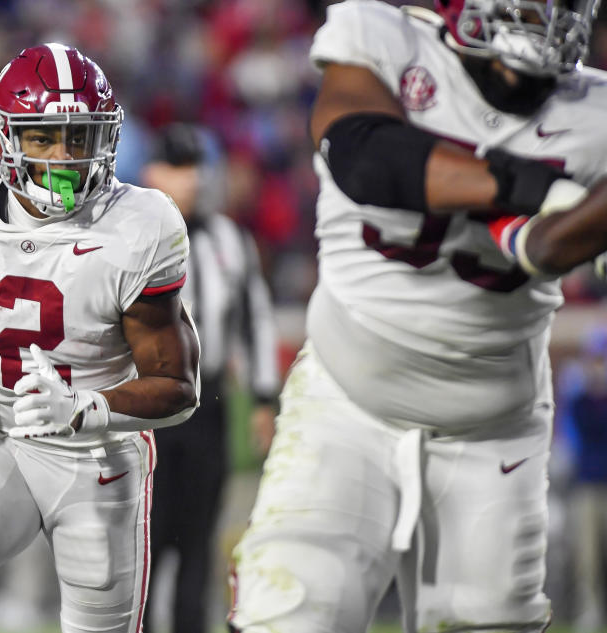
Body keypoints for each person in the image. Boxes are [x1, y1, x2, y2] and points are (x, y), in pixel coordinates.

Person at [226, 0, 607, 630]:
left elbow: (544, 248)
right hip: (346, 404)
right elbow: (360, 153)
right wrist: (540, 190)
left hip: (494, 426)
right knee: (292, 611)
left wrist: (567, 232)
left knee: (488, 622)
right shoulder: (384, 35)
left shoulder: (593, 111)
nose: (542, 11)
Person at [0, 43, 200, 633]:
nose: (64, 157)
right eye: (43, 137)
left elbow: (177, 385)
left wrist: (87, 408)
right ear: (4, 138)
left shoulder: (138, 227)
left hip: (98, 455)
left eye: (79, 138)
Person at [139, 123, 279, 633]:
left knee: (199, 538)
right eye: (180, 167)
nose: (193, 180)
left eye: (198, 167)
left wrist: (264, 399)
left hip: (204, 404)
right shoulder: (128, 234)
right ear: (153, 172)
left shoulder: (228, 238)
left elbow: (254, 318)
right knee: (142, 540)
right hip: (143, 408)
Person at [558, 328, 607, 632]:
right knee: (586, 558)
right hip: (587, 486)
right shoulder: (579, 400)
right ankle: (590, 611)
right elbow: (577, 435)